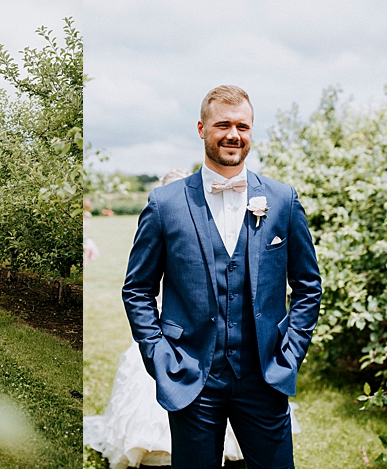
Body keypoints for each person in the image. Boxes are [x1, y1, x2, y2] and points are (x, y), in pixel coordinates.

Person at [121, 85, 322, 469]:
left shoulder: (282, 199)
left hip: (265, 375)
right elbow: (137, 289)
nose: (234, 134)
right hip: (191, 376)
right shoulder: (164, 204)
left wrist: (291, 352)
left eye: (243, 126)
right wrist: (159, 355)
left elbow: (308, 285)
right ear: (201, 128)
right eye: (223, 125)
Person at [86, 168, 267, 468]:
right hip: (175, 341)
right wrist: (156, 349)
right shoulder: (159, 212)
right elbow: (138, 287)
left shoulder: (226, 215)